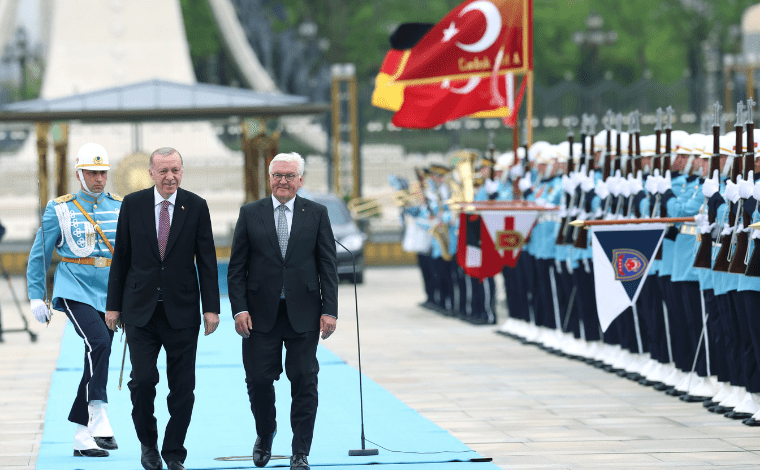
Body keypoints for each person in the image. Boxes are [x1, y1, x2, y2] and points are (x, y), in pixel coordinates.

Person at [105, 147, 220, 470]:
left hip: (182, 312)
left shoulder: (196, 206)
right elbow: (121, 257)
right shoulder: (133, 204)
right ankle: (148, 444)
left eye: (176, 170)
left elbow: (207, 260)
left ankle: (173, 452)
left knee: (183, 388)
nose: (170, 177)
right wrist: (113, 306)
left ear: (182, 171)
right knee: (142, 381)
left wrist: (211, 308)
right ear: (151, 173)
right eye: (163, 171)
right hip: (139, 311)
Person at [227, 152, 338, 470]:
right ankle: (265, 432)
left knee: (304, 379)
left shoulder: (316, 213)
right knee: (259, 379)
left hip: (304, 313)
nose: (283, 181)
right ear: (269, 178)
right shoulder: (250, 213)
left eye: (290, 175)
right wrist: (239, 310)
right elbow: (237, 268)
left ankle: (300, 451)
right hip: (259, 315)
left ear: (300, 180)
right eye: (277, 175)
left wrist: (330, 310)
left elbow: (327, 266)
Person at [26, 143, 121, 457]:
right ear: (79, 174)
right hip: (75, 287)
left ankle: (82, 437)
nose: (99, 179)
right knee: (99, 343)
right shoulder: (60, 208)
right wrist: (36, 296)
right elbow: (40, 254)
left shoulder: (120, 207)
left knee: (95, 356)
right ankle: (98, 409)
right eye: (92, 173)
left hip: (109, 292)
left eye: (102, 173)